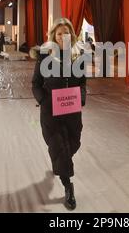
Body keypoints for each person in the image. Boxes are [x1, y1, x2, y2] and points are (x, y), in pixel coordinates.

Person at [31, 18, 86, 211]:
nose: (64, 36)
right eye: (60, 33)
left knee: (73, 143)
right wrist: (43, 100)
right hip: (50, 112)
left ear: (72, 34)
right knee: (59, 146)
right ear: (53, 36)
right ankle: (68, 186)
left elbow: (82, 82)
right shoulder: (45, 56)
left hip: (72, 110)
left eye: (67, 32)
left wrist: (81, 98)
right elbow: (36, 83)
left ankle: (61, 163)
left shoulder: (78, 56)